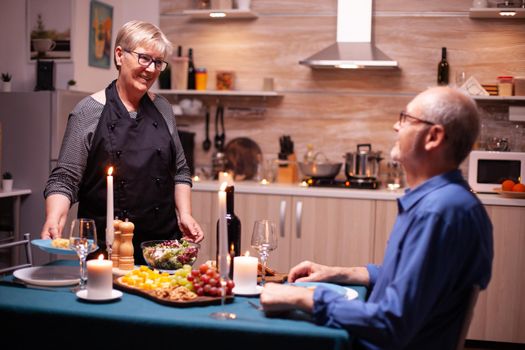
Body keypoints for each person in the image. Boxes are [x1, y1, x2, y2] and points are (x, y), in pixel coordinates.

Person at [259, 86, 494, 349]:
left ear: (433, 137)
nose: (396, 126)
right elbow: (415, 279)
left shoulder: (438, 212)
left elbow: (390, 323)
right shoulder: (443, 202)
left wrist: (304, 298)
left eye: (406, 119)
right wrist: (339, 273)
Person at [40, 20, 204, 264]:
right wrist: (53, 218)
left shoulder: (163, 108)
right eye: (144, 58)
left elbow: (180, 171)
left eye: (158, 62)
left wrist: (186, 214)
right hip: (107, 251)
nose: (151, 69)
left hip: (163, 250)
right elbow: (65, 178)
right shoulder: (89, 111)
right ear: (119, 55)